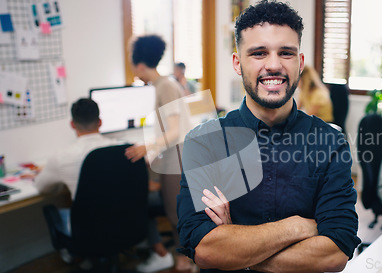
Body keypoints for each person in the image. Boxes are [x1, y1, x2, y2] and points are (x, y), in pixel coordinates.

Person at [176, 1, 360, 272]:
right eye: (259, 53)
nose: (273, 65)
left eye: (286, 53)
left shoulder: (330, 143)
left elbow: (335, 253)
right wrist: (298, 226)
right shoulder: (204, 143)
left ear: (300, 62)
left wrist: (236, 245)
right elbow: (205, 249)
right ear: (238, 64)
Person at [126, 34, 193, 272]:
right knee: (173, 211)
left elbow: (174, 131)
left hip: (178, 154)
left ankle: (186, 261)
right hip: (172, 155)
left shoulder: (165, 86)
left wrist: (147, 147)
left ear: (140, 65)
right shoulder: (162, 85)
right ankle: (183, 259)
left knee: (176, 214)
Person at [34, 98, 124, 265]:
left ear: (72, 124)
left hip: (89, 231)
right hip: (125, 224)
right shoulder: (121, 149)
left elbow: (42, 188)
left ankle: (77, 257)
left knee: (57, 211)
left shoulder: (61, 156)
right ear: (100, 122)